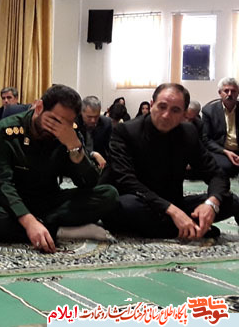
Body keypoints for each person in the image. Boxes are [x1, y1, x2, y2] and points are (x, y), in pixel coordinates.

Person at [0, 84, 118, 253]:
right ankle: (59, 230)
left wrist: (75, 148)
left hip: (47, 200)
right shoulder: (6, 131)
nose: (58, 128)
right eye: (54, 120)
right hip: (11, 203)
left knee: (108, 194)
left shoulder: (69, 134)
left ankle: (44, 226)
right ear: (39, 107)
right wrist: (28, 221)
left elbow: (88, 183)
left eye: (67, 123)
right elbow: (0, 184)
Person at [101, 83, 235, 239]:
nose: (166, 115)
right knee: (128, 206)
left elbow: (216, 174)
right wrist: (172, 210)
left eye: (175, 110)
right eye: (162, 107)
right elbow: (126, 180)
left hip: (170, 203)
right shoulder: (126, 131)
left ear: (184, 114)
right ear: (152, 105)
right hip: (136, 200)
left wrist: (211, 204)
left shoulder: (188, 133)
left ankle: (179, 227)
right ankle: (187, 229)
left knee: (230, 200)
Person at [202, 77, 239, 177]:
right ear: (220, 93)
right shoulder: (209, 111)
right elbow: (206, 139)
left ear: (238, 93)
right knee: (226, 167)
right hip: (222, 150)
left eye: (233, 91)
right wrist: (226, 152)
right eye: (226, 91)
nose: (230, 94)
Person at [75, 96, 112, 169]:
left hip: (100, 163)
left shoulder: (106, 123)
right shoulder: (74, 123)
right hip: (78, 162)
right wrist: (92, 154)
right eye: (89, 117)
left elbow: (110, 147)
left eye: (96, 117)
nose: (93, 120)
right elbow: (74, 148)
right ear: (81, 112)